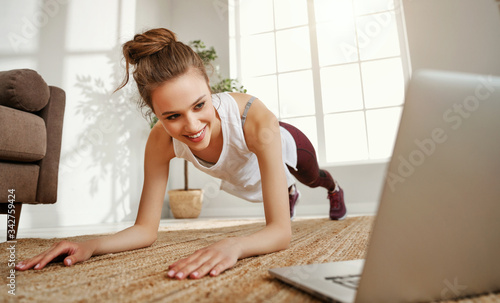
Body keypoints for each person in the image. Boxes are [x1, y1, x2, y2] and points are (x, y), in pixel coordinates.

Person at [15, 28, 346, 279]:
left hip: (286, 147)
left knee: (312, 177)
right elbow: (145, 230)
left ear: (209, 85)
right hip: (248, 179)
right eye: (172, 116)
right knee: (267, 192)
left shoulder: (257, 121)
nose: (192, 126)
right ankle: (285, 192)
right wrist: (91, 244)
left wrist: (236, 245)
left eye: (200, 105)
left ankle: (333, 190)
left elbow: (281, 233)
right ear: (154, 113)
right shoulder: (160, 141)